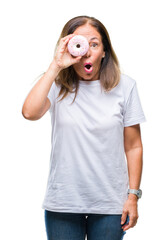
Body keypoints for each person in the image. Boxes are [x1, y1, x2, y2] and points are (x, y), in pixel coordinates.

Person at [22, 15, 146, 240]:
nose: (87, 52)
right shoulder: (56, 85)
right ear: (69, 47)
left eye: (95, 44)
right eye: (80, 44)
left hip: (110, 204)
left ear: (104, 51)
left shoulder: (125, 86)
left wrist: (133, 197)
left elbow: (133, 146)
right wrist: (55, 66)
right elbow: (29, 113)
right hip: (63, 202)